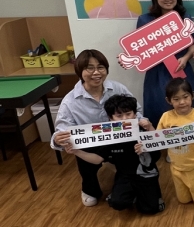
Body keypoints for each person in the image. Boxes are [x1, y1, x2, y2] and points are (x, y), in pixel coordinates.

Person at [52, 49, 150, 206]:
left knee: (136, 154)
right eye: (90, 68)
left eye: (101, 67)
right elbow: (62, 131)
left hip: (121, 138)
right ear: (80, 71)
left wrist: (142, 122)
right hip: (93, 144)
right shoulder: (70, 101)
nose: (96, 72)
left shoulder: (118, 88)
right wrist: (58, 139)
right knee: (82, 155)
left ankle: (130, 178)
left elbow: (136, 111)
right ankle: (90, 189)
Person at [64, 94, 164, 214]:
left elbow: (160, 145)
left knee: (149, 209)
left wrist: (149, 133)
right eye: (119, 116)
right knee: (117, 203)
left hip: (147, 175)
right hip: (124, 176)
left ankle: (148, 195)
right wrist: (76, 151)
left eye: (128, 114)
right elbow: (97, 159)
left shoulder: (144, 128)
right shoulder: (109, 136)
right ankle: (130, 194)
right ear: (110, 118)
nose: (124, 118)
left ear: (135, 114)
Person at [136, 0, 194, 127]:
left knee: (187, 105)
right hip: (156, 72)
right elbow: (139, 49)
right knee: (159, 105)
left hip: (180, 68)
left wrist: (185, 58)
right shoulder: (145, 20)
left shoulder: (185, 18)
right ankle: (160, 140)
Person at [157, 78, 194, 207]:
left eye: (185, 97)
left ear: (192, 96)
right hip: (176, 166)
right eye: (176, 99)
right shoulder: (166, 117)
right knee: (183, 200)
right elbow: (158, 139)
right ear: (169, 100)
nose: (182, 102)